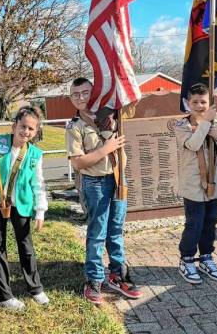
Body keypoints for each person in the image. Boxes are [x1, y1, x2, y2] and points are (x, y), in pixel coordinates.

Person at [65, 77, 143, 305]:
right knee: (97, 233)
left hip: (118, 179)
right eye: (75, 94)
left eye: (85, 92)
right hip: (95, 184)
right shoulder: (74, 126)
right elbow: (78, 163)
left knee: (116, 230)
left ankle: (118, 274)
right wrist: (106, 148)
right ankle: (93, 279)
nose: (80, 97)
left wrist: (120, 78)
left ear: (95, 92)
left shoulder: (110, 115)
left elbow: (131, 105)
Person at [0, 106, 49, 311]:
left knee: (26, 245)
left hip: (21, 204)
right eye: (23, 126)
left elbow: (38, 182)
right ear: (14, 124)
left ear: (36, 132)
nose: (25, 132)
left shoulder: (35, 154)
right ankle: (4, 296)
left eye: (31, 129)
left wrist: (40, 210)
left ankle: (35, 288)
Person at [174, 83, 217, 284]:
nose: (199, 106)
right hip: (193, 186)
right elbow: (193, 144)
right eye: (195, 102)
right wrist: (206, 124)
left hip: (214, 184)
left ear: (210, 103)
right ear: (188, 103)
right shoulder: (181, 126)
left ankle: (206, 257)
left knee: (210, 223)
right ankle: (187, 259)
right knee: (194, 224)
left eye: (203, 102)